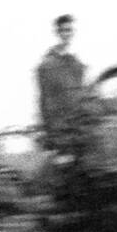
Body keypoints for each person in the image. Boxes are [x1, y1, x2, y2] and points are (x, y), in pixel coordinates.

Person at [36, 14, 89, 151]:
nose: (67, 34)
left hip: (79, 128)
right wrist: (51, 132)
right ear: (57, 32)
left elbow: (82, 94)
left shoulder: (76, 63)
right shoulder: (47, 65)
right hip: (60, 129)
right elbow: (45, 100)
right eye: (64, 30)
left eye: (70, 30)